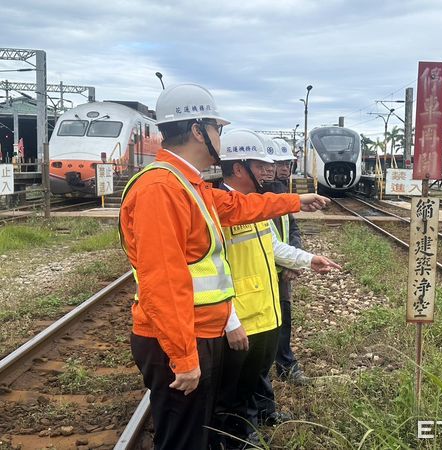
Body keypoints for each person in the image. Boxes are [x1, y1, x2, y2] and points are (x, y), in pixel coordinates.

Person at [118, 84, 331, 450]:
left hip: (201, 330)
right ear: (199, 130)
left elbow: (238, 207)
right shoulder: (160, 188)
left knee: (198, 433)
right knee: (182, 440)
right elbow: (163, 280)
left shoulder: (186, 183)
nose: (221, 136)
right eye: (217, 128)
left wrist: (296, 200)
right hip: (182, 337)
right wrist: (184, 357)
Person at [213, 129, 341, 448]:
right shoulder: (216, 209)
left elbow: (273, 245)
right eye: (261, 165)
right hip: (239, 321)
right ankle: (237, 441)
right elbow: (208, 272)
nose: (269, 171)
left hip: (263, 316)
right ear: (239, 167)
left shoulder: (252, 205)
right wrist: (230, 321)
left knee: (251, 383)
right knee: (231, 396)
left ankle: (249, 430)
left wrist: (308, 260)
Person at [269, 138, 307, 383]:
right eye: (279, 163)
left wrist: (293, 261)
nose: (284, 168)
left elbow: (292, 228)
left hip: (283, 268)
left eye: (288, 164)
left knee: (284, 315)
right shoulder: (258, 195)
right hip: (265, 269)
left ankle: (285, 363)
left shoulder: (284, 192)